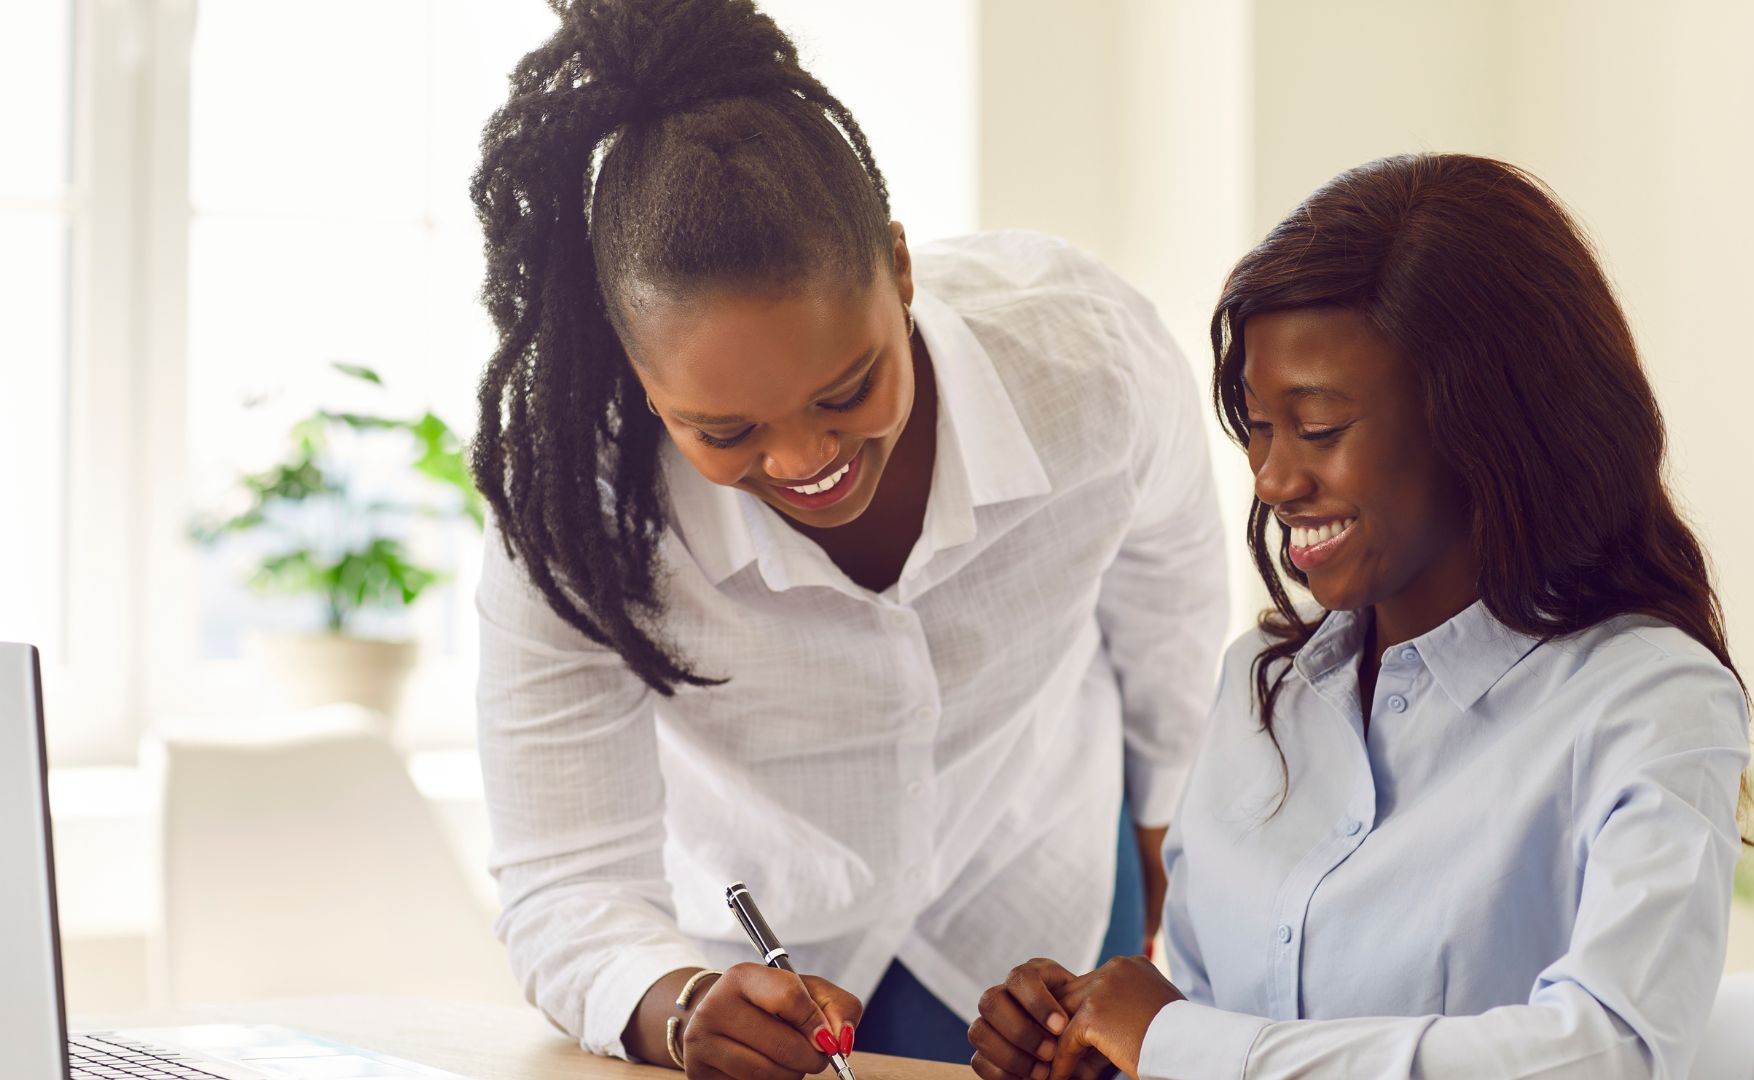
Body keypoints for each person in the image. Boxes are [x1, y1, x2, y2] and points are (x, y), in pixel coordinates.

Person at [467, 0, 1227, 1075]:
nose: (800, 459)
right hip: (763, 967)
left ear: (901, 269)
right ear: (641, 381)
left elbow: (1172, 628)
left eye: (848, 386)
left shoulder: (1087, 365)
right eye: (722, 431)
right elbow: (565, 880)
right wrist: (680, 1009)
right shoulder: (574, 515)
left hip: (1046, 907)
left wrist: (1181, 904)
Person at [968, 153, 1751, 1080]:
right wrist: (1096, 1040)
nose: (1274, 480)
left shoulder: (1649, 699)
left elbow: (1607, 1051)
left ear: (1486, 421)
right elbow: (1209, 1026)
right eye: (1258, 423)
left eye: (1320, 426)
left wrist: (1178, 1042)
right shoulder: (1260, 684)